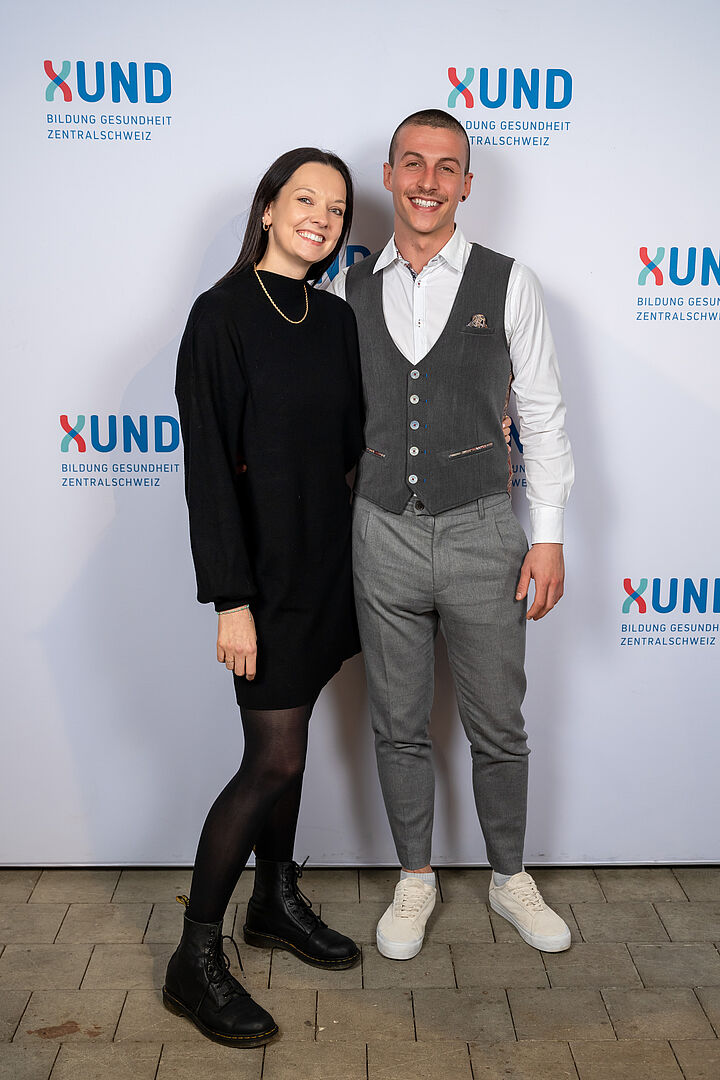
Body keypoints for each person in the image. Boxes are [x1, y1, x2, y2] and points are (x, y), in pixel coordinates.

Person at [327, 109, 575, 960]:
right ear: (389, 175)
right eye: (413, 163)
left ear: (466, 184)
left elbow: (541, 412)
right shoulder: (349, 289)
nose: (427, 181)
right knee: (397, 722)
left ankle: (510, 877)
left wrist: (548, 534)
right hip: (380, 532)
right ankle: (415, 877)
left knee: (497, 722)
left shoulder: (510, 281)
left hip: (482, 530)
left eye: (445, 167)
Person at [165, 148, 364, 1048]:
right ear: (270, 208)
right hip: (264, 581)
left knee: (294, 744)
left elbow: (354, 445)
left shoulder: (335, 318)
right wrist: (231, 599)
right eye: (304, 199)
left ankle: (274, 902)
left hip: (330, 570)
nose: (321, 216)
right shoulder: (220, 315)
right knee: (272, 760)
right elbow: (208, 467)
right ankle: (193, 958)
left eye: (336, 206)